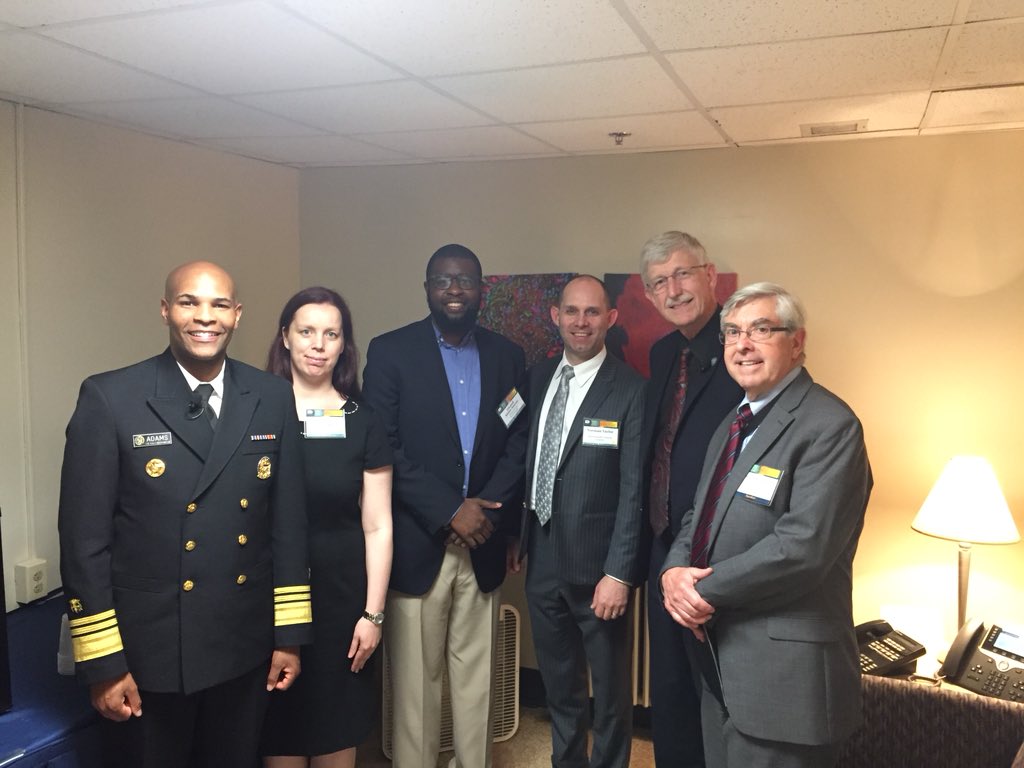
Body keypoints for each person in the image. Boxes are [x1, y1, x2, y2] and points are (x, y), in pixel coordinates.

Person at [57, 261, 312, 768]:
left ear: (237, 315)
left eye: (220, 304)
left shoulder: (270, 395)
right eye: (189, 302)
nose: (205, 317)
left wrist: (289, 637)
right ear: (165, 310)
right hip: (148, 656)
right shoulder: (112, 397)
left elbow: (287, 526)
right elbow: (84, 544)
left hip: (243, 646)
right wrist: (104, 663)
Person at [660, 282, 872, 768]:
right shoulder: (733, 423)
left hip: (784, 681)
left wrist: (697, 593)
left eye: (761, 330)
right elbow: (698, 513)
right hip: (721, 665)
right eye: (733, 333)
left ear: (797, 342)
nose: (743, 345)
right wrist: (672, 573)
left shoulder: (830, 426)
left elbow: (802, 548)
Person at [362, 243, 528, 768]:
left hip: (483, 544)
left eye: (465, 280)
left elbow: (518, 441)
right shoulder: (390, 352)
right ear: (427, 288)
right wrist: (449, 510)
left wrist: (488, 514)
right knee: (416, 685)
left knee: (479, 681)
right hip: (417, 542)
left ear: (481, 289)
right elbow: (382, 444)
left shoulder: (507, 356)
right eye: (443, 280)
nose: (454, 290)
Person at [516, 275, 645, 768]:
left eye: (592, 312)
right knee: (559, 684)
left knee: (610, 694)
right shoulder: (538, 378)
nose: (581, 322)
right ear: (556, 317)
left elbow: (634, 489)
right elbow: (525, 459)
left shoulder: (631, 390)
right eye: (571, 311)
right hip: (541, 555)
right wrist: (516, 537)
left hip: (599, 568)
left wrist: (619, 574)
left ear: (611, 319)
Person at [261, 287, 393, 768]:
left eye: (331, 334)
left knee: (337, 729)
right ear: (286, 338)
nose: (318, 344)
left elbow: (378, 525)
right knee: (280, 733)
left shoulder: (363, 421)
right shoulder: (254, 414)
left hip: (342, 602)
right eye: (307, 331)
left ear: (343, 345)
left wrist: (373, 615)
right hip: (269, 602)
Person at [640, 231, 742, 767]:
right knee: (672, 693)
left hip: (718, 556)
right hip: (664, 551)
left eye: (683, 274)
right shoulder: (663, 354)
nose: (674, 290)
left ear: (710, 275)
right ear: (649, 294)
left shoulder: (741, 347)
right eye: (660, 282)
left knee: (722, 699)